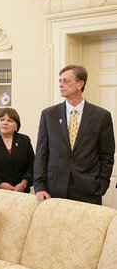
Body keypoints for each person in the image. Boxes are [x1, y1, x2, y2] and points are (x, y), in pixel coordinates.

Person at [34, 65, 115, 204]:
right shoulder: (49, 115)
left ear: (80, 84)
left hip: (89, 190)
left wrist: (101, 185)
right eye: (60, 80)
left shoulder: (101, 116)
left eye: (65, 81)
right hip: (54, 190)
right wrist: (39, 186)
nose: (60, 84)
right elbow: (41, 152)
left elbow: (107, 155)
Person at [0, 108, 34, 192]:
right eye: (2, 119)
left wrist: (24, 183)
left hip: (20, 190)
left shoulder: (24, 140)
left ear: (16, 126)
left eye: (10, 121)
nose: (5, 123)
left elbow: (32, 165)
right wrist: (0, 184)